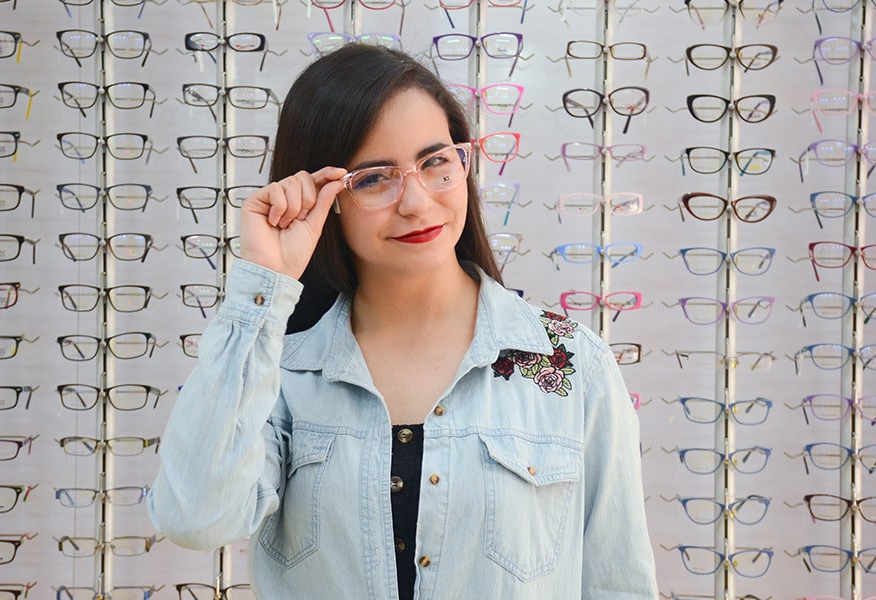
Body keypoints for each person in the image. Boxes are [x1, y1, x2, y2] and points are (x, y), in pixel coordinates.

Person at [149, 44, 658, 599]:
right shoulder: (283, 374)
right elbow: (196, 519)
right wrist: (264, 288)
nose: (416, 202)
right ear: (326, 197)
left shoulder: (572, 365)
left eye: (436, 161)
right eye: (373, 178)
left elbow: (618, 585)